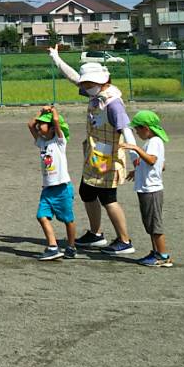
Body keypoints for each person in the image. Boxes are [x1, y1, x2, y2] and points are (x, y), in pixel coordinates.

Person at [49, 44, 136, 255]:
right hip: (95, 154)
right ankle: (96, 234)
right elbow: (73, 78)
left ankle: (124, 241)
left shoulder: (113, 103)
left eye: (89, 83)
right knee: (87, 192)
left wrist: (136, 158)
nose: (85, 86)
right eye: (85, 83)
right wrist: (56, 58)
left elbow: (126, 129)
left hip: (108, 157)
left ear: (102, 81)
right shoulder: (96, 95)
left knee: (108, 198)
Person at [120, 109, 172, 267]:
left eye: (137, 129)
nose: (136, 132)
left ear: (146, 128)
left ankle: (163, 256)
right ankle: (156, 252)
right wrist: (138, 170)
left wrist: (135, 148)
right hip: (147, 189)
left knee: (155, 225)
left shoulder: (154, 142)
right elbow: (160, 165)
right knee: (150, 224)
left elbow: (151, 160)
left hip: (152, 190)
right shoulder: (152, 142)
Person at [30, 106, 77, 261]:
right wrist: (41, 113)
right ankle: (52, 246)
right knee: (41, 216)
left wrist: (52, 109)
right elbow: (30, 124)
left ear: (51, 128)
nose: (38, 126)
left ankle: (71, 246)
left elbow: (56, 120)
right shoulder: (41, 142)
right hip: (48, 189)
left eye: (43, 124)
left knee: (68, 219)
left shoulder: (59, 142)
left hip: (62, 188)